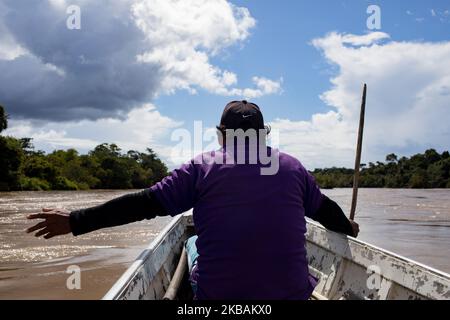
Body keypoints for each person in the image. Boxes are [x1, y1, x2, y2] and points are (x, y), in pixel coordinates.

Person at [26, 100, 359, 300]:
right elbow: (326, 212)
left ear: (221, 134)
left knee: (194, 240)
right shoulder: (292, 167)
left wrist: (76, 221)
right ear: (263, 134)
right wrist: (350, 227)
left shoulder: (203, 167)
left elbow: (145, 203)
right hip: (291, 295)